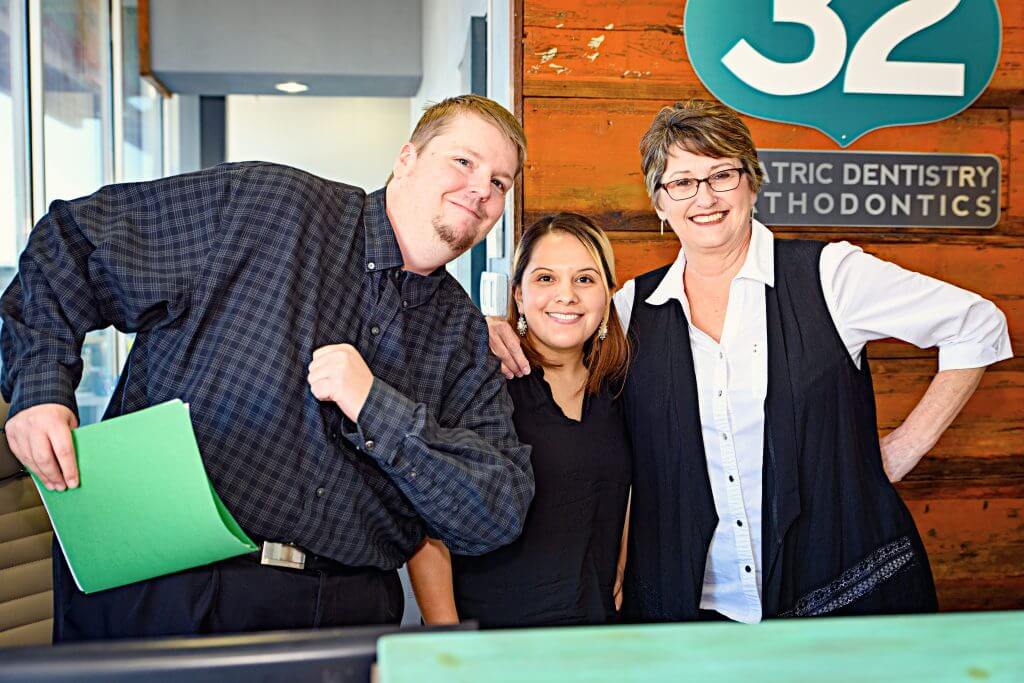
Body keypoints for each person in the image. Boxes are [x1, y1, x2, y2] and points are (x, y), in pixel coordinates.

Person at [0, 94, 536, 641]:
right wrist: (40, 389)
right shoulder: (265, 206)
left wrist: (377, 408)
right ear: (407, 159)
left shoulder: (464, 335)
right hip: (166, 586)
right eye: (464, 162)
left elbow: (493, 513)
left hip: (345, 613)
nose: (480, 190)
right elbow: (73, 243)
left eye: (500, 183)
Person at [489, 100, 1012, 623]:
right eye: (683, 182)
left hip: (842, 594)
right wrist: (489, 330)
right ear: (660, 203)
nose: (706, 197)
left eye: (722, 174)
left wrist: (903, 449)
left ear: (752, 184)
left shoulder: (830, 276)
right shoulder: (631, 307)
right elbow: (560, 342)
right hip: (697, 605)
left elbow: (977, 323)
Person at [407, 213, 631, 628]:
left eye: (585, 279)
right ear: (519, 294)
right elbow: (427, 517)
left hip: (596, 634)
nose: (566, 296)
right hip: (490, 639)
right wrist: (445, 635)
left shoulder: (622, 389)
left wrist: (619, 566)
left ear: (609, 293)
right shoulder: (481, 381)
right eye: (545, 278)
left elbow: (625, 489)